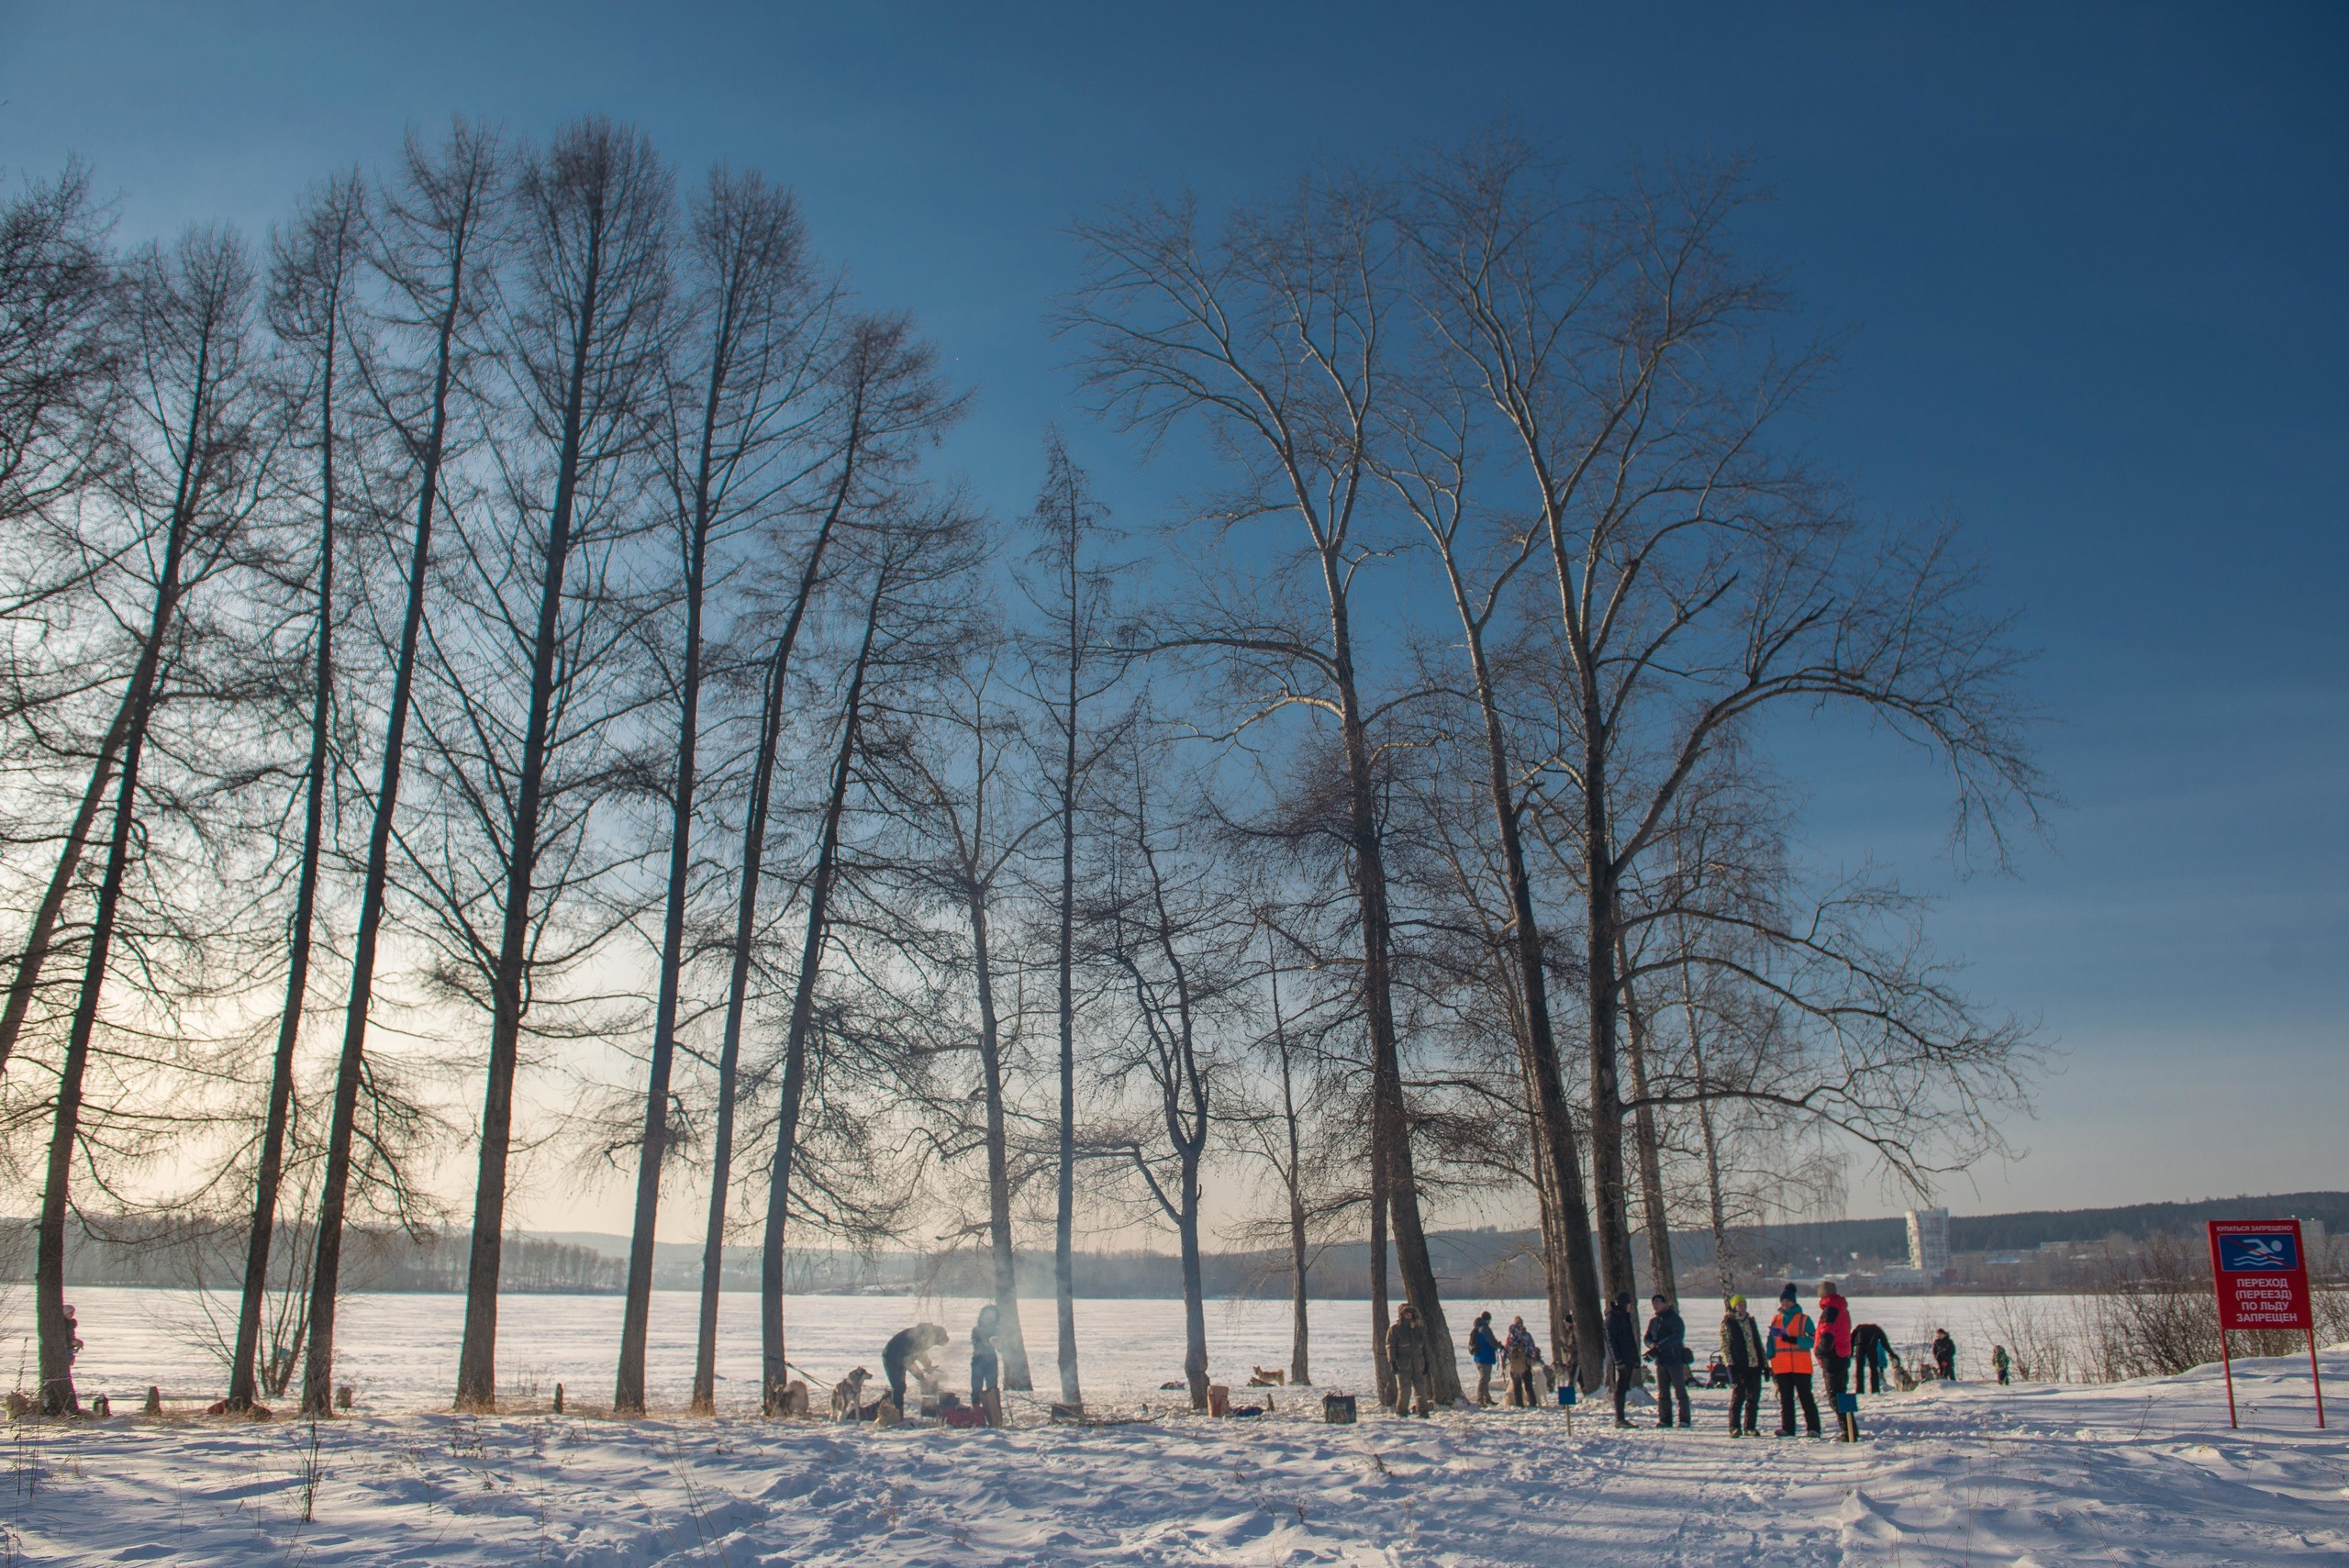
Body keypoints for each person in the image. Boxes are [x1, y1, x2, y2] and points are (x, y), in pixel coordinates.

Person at [1768, 1283, 1821, 1437]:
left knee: (1806, 1398)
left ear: (1794, 1302)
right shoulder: (1776, 1319)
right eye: (1783, 1301)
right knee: (1786, 1400)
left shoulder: (1804, 1319)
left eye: (1788, 1301)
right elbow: (1771, 1341)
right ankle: (1788, 1428)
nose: (1785, 1304)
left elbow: (1814, 1340)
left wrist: (1795, 1340)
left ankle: (1813, 1428)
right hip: (1781, 1366)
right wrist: (1770, 1356)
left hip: (1801, 1366)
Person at [1643, 1293, 1692, 1429]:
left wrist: (1658, 1347)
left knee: (1680, 1391)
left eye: (1658, 1303)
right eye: (1654, 1304)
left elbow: (1677, 1337)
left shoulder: (1674, 1319)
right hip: (1661, 1361)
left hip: (1674, 1360)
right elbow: (1647, 1337)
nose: (1656, 1306)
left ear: (1665, 1304)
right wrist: (1651, 1345)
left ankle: (1685, 1418)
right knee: (1663, 1392)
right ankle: (1665, 1419)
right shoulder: (1654, 1321)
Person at [1720, 1294, 1765, 1437]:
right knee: (1738, 1397)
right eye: (1739, 1305)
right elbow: (1725, 1346)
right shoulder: (1728, 1322)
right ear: (1734, 1307)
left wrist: (1765, 1364)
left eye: (1744, 1305)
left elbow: (1757, 1342)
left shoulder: (1750, 1321)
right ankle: (1734, 1426)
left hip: (1754, 1364)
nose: (1742, 1308)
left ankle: (1750, 1426)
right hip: (1739, 1366)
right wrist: (1730, 1366)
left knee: (1753, 1397)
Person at [1816, 1280, 1856, 1441]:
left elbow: (1827, 1333)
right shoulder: (1842, 1308)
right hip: (1843, 1354)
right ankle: (1851, 1430)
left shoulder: (1830, 1309)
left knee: (1835, 1397)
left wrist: (1820, 1351)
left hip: (1833, 1356)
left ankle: (1848, 1432)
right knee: (1842, 1394)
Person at [881, 1322, 948, 1415]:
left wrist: (928, 1366)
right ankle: (896, 1414)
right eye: (936, 1343)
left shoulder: (925, 1336)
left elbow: (920, 1354)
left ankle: (893, 1410)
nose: (933, 1345)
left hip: (901, 1356)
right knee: (899, 1387)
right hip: (891, 1356)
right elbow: (909, 1362)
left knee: (900, 1387)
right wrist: (921, 1378)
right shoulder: (921, 1337)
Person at [1386, 1304, 1432, 1417]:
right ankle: (1401, 1412)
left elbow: (1425, 1347)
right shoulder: (1395, 1330)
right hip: (1403, 1364)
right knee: (1405, 1389)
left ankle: (1423, 1411)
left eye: (1410, 1313)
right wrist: (1392, 1362)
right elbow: (1390, 1346)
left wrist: (1427, 1362)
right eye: (1406, 1313)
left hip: (1419, 1363)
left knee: (1421, 1388)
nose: (1409, 1315)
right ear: (1402, 1315)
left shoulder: (1419, 1329)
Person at [1605, 1293, 1642, 1428]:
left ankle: (1621, 1418)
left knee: (1624, 1387)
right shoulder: (1613, 1318)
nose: (1630, 1307)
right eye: (1629, 1304)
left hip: (1628, 1357)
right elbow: (1611, 1341)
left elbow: (1630, 1339)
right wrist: (1618, 1360)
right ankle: (1619, 1418)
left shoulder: (1624, 1317)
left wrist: (1635, 1357)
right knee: (1620, 1388)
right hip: (1622, 1359)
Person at [1504, 1317, 1541, 1407]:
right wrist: (1530, 1359)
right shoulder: (1527, 1336)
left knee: (1517, 1386)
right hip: (1526, 1364)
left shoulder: (1511, 1338)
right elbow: (1532, 1349)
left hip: (1515, 1366)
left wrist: (1506, 1361)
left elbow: (1507, 1351)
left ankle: (1519, 1404)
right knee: (1528, 1385)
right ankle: (1532, 1403)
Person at [970, 1305, 1002, 1401]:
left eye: (992, 1316)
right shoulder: (976, 1329)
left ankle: (993, 1412)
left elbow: (1002, 1348)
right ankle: (976, 1410)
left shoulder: (997, 1330)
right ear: (982, 1316)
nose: (990, 1317)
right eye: (987, 1315)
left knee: (992, 1389)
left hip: (991, 1361)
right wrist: (986, 1343)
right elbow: (975, 1343)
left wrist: (999, 1345)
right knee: (976, 1387)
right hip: (977, 1360)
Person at [1469, 1311, 1500, 1406]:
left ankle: (1487, 1398)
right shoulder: (1485, 1329)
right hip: (1485, 1357)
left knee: (1486, 1378)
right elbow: (1492, 1342)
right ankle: (1480, 1399)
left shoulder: (1477, 1328)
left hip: (1478, 1357)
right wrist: (1498, 1345)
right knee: (1484, 1379)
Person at [1852, 1321, 1890, 1395]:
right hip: (1871, 1347)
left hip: (1860, 1346)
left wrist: (1850, 1352)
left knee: (1859, 1368)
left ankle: (1859, 1390)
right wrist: (1891, 1353)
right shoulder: (1876, 1329)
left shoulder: (1859, 1328)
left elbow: (1851, 1340)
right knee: (1874, 1368)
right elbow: (1885, 1342)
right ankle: (1875, 1390)